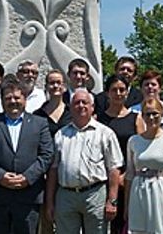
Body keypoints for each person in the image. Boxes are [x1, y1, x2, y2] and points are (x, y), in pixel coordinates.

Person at [0, 78, 56, 234]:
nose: (13, 101)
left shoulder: (40, 123)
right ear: (2, 100)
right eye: (8, 98)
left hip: (28, 196)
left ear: (25, 99)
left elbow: (47, 155)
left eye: (17, 97)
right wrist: (0, 176)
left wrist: (28, 177)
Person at [44, 88, 122, 234]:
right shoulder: (61, 135)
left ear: (92, 107)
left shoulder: (105, 133)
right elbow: (53, 170)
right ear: (71, 108)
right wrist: (50, 202)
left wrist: (112, 201)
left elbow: (114, 169)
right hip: (65, 195)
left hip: (95, 194)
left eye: (85, 102)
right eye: (76, 103)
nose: (81, 106)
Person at [123, 99, 163, 234]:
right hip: (138, 190)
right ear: (142, 116)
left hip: (160, 189)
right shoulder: (134, 141)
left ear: (161, 114)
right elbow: (130, 174)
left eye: (155, 113)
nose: (151, 118)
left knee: (161, 228)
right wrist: (126, 205)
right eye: (147, 114)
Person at [96, 75, 138, 234]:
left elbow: (139, 152)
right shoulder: (99, 119)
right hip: (103, 180)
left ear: (127, 93)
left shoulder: (136, 118)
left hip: (128, 181)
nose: (118, 93)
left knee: (125, 224)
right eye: (114, 90)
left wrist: (126, 175)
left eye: (122, 90)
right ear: (107, 93)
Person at [35, 69, 72, 136]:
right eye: (52, 83)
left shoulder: (72, 113)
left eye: (58, 82)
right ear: (46, 87)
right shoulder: (37, 115)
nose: (55, 86)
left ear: (64, 87)